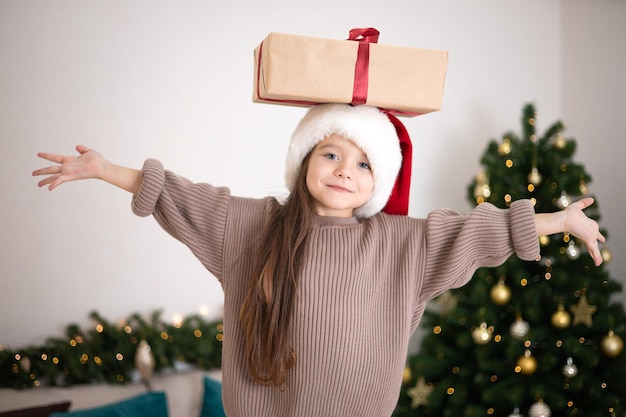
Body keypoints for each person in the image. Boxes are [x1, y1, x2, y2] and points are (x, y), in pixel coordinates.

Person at [32, 103, 605, 417]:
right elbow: (178, 194)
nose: (342, 170)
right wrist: (107, 170)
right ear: (306, 160)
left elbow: (481, 232)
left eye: (362, 164)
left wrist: (557, 220)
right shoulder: (254, 226)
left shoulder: (400, 243)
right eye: (331, 152)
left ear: (377, 183)